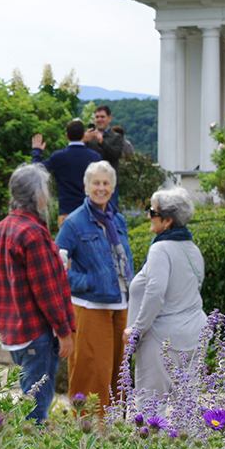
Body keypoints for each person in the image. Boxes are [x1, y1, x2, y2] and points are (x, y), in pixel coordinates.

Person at [0, 163, 75, 423]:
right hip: (37, 332)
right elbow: (46, 291)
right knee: (36, 406)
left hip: (13, 330)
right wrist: (64, 331)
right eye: (46, 190)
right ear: (38, 195)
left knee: (27, 397)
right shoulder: (33, 233)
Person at [55, 160, 133, 413]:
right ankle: (88, 427)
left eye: (106, 183)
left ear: (113, 187)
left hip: (121, 304)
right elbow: (57, 269)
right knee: (92, 369)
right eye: (96, 183)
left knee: (118, 371)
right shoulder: (74, 223)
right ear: (86, 187)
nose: (101, 188)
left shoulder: (118, 220)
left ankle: (113, 426)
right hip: (90, 306)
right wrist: (88, 281)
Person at [123, 188, 207, 412]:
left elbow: (156, 293)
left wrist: (136, 331)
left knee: (150, 411)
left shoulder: (160, 248)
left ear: (168, 221)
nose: (148, 216)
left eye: (153, 212)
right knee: (186, 411)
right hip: (196, 334)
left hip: (162, 338)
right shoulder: (193, 249)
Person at [31, 119, 102, 228]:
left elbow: (37, 170)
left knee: (65, 244)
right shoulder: (95, 157)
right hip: (90, 212)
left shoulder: (59, 157)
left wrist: (37, 151)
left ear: (67, 136)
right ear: (84, 135)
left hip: (66, 212)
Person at [85, 106, 124, 209]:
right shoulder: (90, 137)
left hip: (109, 183)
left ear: (109, 118)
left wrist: (102, 142)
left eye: (102, 117)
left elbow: (116, 155)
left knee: (111, 213)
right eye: (97, 117)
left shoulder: (116, 137)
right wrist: (83, 141)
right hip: (92, 182)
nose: (99, 120)